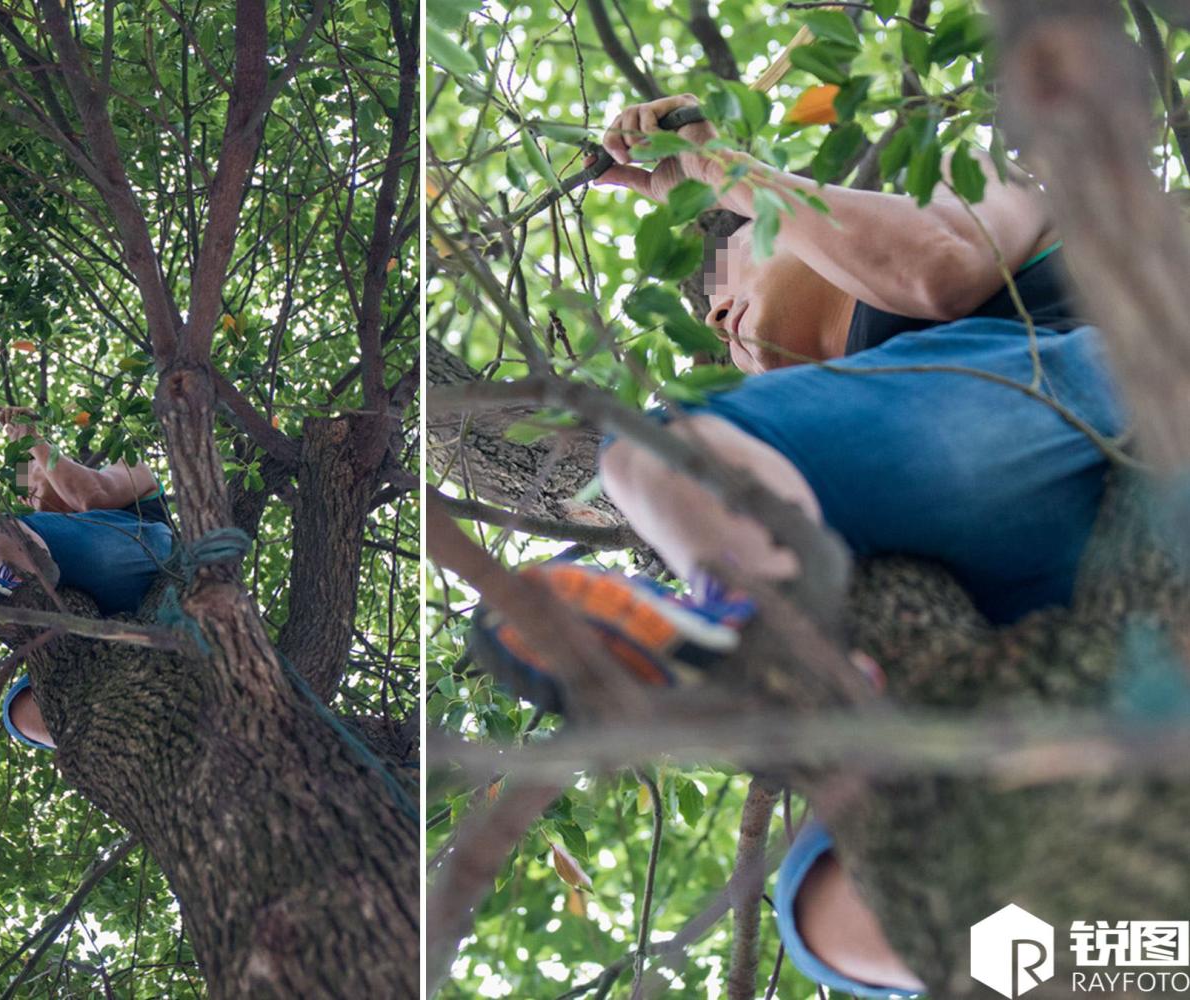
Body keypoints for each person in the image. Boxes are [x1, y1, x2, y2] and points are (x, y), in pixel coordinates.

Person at [473, 95, 1120, 997]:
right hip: (1041, 608)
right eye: (708, 319)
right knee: (832, 905)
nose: (718, 315)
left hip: (1092, 410)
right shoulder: (837, 419)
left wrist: (715, 165)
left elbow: (940, 267)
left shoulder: (967, 173)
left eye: (725, 270)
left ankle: (758, 636)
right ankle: (1138, 961)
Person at [0, 406, 175, 750]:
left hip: (147, 556)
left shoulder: (127, 465)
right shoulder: (46, 532)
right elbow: (28, 504)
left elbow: (92, 495)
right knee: (21, 707)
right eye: (28, 495)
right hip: (117, 627)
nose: (33, 497)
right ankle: (105, 742)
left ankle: (14, 587)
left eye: (39, 480)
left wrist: (31, 440)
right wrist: (23, 462)